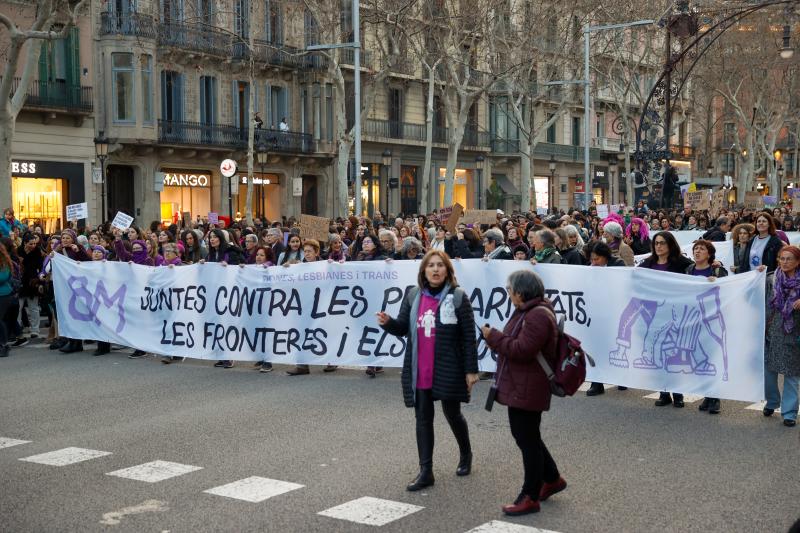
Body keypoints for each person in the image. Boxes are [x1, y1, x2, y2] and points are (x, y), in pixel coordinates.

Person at [377, 250, 479, 491]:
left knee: (452, 414)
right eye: (430, 266)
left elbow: (468, 337)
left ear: (447, 271)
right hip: (419, 367)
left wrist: (471, 371)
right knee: (423, 418)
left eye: (440, 266)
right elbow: (403, 328)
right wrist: (388, 323)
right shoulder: (413, 296)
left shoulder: (458, 297)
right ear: (423, 271)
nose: (435, 270)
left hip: (448, 367)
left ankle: (466, 455)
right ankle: (426, 471)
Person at [481, 270, 566, 516]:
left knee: (526, 439)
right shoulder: (528, 311)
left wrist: (494, 337)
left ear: (520, 292)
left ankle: (530, 495)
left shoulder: (537, 314)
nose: (508, 295)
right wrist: (495, 338)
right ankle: (552, 478)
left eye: (509, 291)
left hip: (529, 386)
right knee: (528, 436)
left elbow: (523, 349)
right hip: (521, 383)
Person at [638, 231, 693, 407]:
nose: (659, 246)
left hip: (675, 312)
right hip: (654, 312)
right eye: (656, 243)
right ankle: (663, 392)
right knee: (656, 350)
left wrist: (716, 264)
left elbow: (697, 271)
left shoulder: (681, 263)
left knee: (673, 352)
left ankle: (677, 393)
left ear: (670, 245)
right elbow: (633, 276)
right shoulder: (648, 263)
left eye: (662, 243)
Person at [686, 240, 728, 415]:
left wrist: (717, 282)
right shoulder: (689, 270)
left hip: (712, 318)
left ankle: (715, 397)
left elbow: (729, 289)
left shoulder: (717, 270)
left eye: (702, 249)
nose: (697, 251)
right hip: (694, 319)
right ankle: (707, 394)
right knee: (700, 357)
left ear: (709, 254)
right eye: (695, 249)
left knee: (714, 355)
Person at [763, 245, 800, 427]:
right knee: (769, 371)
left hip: (794, 333)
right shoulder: (771, 279)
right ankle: (771, 402)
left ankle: (790, 413)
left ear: (798, 262)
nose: (785, 262)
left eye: (789, 259)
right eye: (782, 259)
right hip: (771, 330)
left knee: (792, 374)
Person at [17, 233, 43, 340]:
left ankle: (35, 330)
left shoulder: (37, 251)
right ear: (25, 243)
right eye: (31, 244)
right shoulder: (18, 251)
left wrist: (39, 280)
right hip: (20, 283)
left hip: (33, 282)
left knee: (34, 308)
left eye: (35, 243)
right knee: (18, 308)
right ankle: (17, 330)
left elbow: (40, 266)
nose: (33, 245)